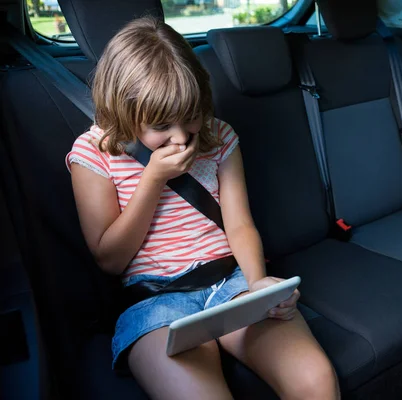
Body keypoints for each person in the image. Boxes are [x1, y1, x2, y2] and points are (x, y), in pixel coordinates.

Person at [66, 16, 339, 400]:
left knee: (315, 380)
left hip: (231, 285)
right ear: (124, 109)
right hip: (155, 302)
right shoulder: (94, 154)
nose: (181, 137)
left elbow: (240, 225)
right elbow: (110, 259)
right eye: (162, 125)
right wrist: (153, 180)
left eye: (191, 116)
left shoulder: (218, 135)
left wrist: (259, 285)